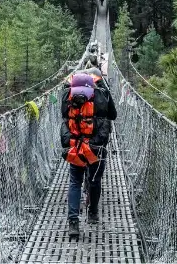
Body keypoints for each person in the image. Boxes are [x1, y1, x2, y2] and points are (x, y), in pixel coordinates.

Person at [60, 70, 117, 237]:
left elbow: (64, 116)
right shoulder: (102, 93)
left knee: (75, 182)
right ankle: (92, 213)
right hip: (96, 147)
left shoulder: (67, 95)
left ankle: (73, 223)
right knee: (94, 180)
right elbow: (113, 115)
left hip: (75, 147)